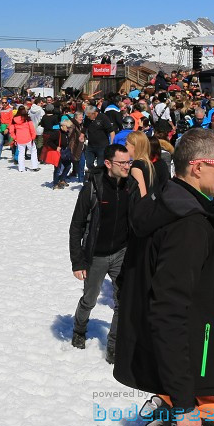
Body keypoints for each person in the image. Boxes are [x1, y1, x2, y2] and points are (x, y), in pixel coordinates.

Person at [114, 129, 214, 426]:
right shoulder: (187, 224)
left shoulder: (169, 201)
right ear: (197, 166)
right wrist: (184, 404)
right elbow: (168, 312)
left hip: (193, 367)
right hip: (197, 375)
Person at [68, 144, 137, 364]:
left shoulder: (131, 186)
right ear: (108, 164)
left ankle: (114, 346)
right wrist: (78, 261)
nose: (127, 167)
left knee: (123, 300)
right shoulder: (92, 188)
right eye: (123, 163)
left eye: (129, 162)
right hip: (95, 256)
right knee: (89, 299)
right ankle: (79, 329)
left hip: (121, 253)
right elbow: (76, 226)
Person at [11, 106, 39, 173]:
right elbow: (31, 128)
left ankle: (21, 168)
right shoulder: (27, 118)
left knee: (21, 153)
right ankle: (35, 166)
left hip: (19, 138)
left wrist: (14, 138)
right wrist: (33, 137)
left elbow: (11, 130)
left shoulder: (14, 119)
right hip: (28, 137)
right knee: (33, 151)